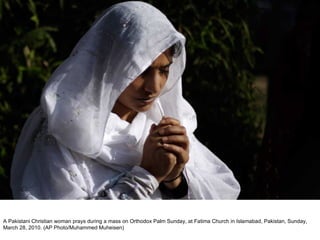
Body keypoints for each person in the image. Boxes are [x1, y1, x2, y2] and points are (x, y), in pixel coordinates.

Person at [10, 1, 240, 199]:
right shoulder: (65, 132)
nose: (155, 87)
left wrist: (174, 179)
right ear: (110, 65)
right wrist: (147, 175)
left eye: (164, 70)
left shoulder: (164, 122)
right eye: (140, 71)